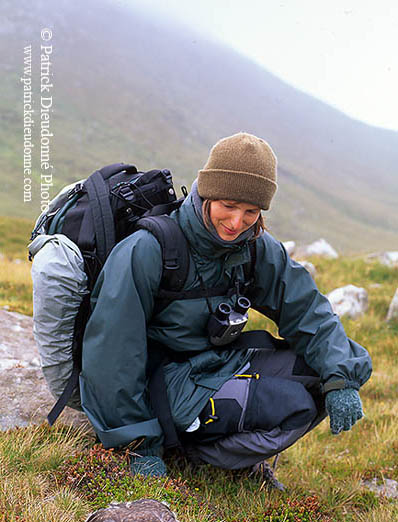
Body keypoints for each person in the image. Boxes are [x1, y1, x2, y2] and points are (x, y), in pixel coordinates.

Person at [79, 132, 372, 479]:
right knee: (291, 405)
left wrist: (341, 377)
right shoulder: (148, 250)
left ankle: (222, 455)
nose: (236, 223)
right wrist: (138, 445)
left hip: (211, 366)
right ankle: (189, 452)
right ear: (208, 193)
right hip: (159, 385)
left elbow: (309, 311)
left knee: (329, 375)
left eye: (250, 211)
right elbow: (113, 356)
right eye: (228, 206)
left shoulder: (254, 248)